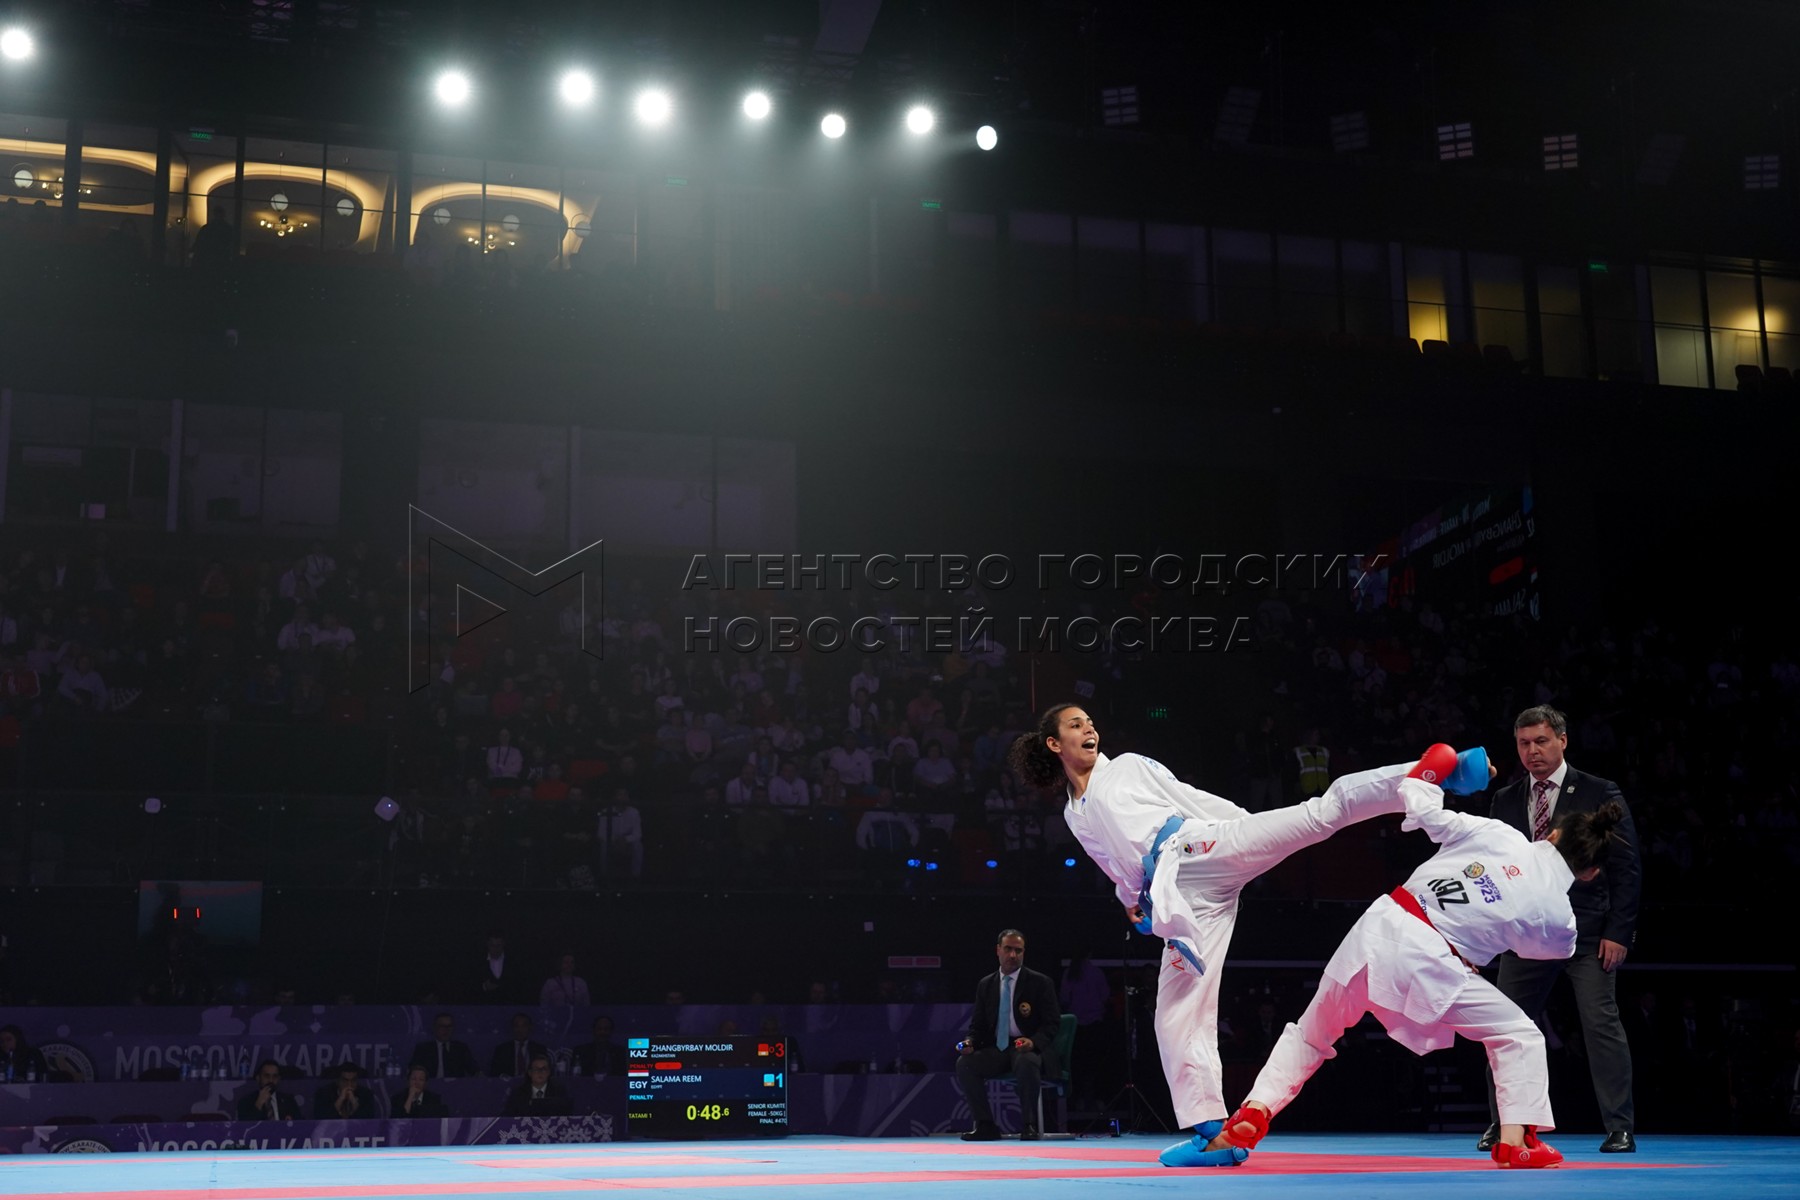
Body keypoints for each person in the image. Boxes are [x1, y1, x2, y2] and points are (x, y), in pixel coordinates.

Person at [1012, 703, 1486, 1167]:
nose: (1090, 729)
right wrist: (1129, 897)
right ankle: (1214, 1133)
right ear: (1054, 743)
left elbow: (1185, 795)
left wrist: (1237, 824)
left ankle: (1426, 774)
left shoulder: (1128, 766)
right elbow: (1112, 861)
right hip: (1191, 901)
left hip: (1199, 850)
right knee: (1174, 1014)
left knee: (1318, 815)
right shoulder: (1074, 813)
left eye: (1091, 722)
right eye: (1076, 725)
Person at [1218, 776, 1630, 1169]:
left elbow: (1424, 810)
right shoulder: (1558, 915)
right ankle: (1517, 1142)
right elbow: (1550, 950)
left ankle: (1257, 1107)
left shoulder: (1499, 834)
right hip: (1433, 961)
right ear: (1590, 873)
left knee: (1313, 1031)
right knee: (1518, 1035)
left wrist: (1435, 771)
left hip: (1379, 926)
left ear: (1551, 834)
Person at [1479, 706, 1641, 1155]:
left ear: (1562, 741)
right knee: (1503, 1025)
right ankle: (1503, 1124)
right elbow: (1493, 869)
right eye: (1524, 743)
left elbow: (1627, 867)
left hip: (1587, 932)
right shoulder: (1505, 799)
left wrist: (1619, 931)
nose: (1532, 751)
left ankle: (1620, 1126)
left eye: (1541, 741)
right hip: (1525, 935)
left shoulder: (1598, 791)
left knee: (1600, 1024)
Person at [955, 928, 1061, 1141]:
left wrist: (1033, 1042)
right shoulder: (986, 984)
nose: (1013, 955)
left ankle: (1029, 1124)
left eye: (1018, 950)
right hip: (997, 1049)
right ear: (998, 950)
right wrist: (970, 1042)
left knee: (1026, 1061)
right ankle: (985, 1125)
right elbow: (978, 1025)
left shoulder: (1040, 982)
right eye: (1008, 949)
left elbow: (1052, 1024)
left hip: (1027, 1049)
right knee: (964, 1063)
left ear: (1024, 952)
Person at [409, 1012, 480, 1079]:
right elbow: (413, 1071)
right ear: (435, 1028)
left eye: (449, 1026)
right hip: (430, 1085)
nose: (446, 1030)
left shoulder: (461, 1048)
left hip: (456, 1086)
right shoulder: (423, 1049)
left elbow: (474, 1070)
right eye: (442, 1026)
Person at [503, 1053, 572, 1116]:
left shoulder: (559, 1092)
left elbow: (567, 1115)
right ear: (530, 1073)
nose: (540, 1072)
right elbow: (508, 1116)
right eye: (536, 1069)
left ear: (549, 1072)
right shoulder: (518, 1093)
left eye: (544, 1069)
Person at [311, 1061, 376, 1119]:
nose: (349, 1085)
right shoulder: (323, 1094)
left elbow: (367, 1121)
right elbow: (321, 1119)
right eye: (345, 1081)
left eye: (353, 1080)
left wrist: (354, 1103)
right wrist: (340, 1099)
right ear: (338, 1081)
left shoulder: (366, 1094)